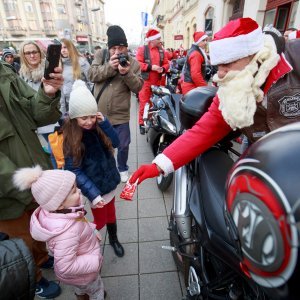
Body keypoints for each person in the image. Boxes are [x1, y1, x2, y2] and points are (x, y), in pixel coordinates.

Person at [129, 18, 300, 186]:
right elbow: (205, 129)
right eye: (219, 66)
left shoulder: (295, 55)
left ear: (251, 54)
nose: (221, 73)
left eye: (227, 64)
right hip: (265, 161)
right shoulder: (231, 88)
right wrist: (160, 164)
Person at [0, 58, 63, 298]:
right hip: (7, 187)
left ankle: (42, 257)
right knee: (20, 238)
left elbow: (36, 114)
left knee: (38, 226)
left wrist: (47, 93)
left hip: (32, 171)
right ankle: (31, 276)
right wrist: (16, 182)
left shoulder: (4, 70)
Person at [13, 166, 105, 300]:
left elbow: (80, 223)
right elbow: (65, 267)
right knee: (97, 290)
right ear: (59, 203)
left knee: (80, 288)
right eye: (74, 191)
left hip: (78, 273)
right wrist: (95, 260)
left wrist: (92, 229)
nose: (79, 191)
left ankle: (81, 295)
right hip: (84, 272)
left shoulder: (60, 213)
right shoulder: (67, 232)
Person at [62, 80, 125, 258]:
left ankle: (113, 239)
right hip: (94, 188)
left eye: (92, 116)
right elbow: (74, 170)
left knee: (111, 213)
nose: (89, 121)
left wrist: (104, 123)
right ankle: (88, 243)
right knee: (101, 219)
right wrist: (94, 194)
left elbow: (116, 142)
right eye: (84, 118)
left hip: (109, 180)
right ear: (74, 117)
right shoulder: (71, 137)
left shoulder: (99, 126)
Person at [88, 25, 143, 183]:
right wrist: (110, 68)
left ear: (126, 47)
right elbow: (91, 74)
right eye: (113, 48)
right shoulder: (101, 55)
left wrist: (126, 73)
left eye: (121, 47)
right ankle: (106, 168)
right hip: (100, 113)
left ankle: (122, 168)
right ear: (109, 48)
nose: (117, 51)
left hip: (121, 114)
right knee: (102, 145)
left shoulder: (133, 63)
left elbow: (138, 87)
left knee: (124, 145)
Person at [19, 41, 58, 145]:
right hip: (32, 127)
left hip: (50, 124)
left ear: (40, 53)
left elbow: (59, 97)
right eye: (27, 53)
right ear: (23, 56)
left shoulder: (50, 71)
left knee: (57, 156)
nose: (32, 56)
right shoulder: (21, 76)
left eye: (34, 52)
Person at [136, 28, 169, 134]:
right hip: (145, 82)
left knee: (155, 103)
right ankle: (142, 123)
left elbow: (167, 63)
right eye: (158, 38)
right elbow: (138, 64)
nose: (160, 40)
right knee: (144, 103)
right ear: (152, 40)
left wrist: (163, 69)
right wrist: (151, 67)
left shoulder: (161, 50)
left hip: (158, 82)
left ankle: (151, 120)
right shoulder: (142, 49)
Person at [60, 38, 92, 114]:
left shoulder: (81, 62)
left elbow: (91, 82)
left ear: (71, 48)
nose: (63, 50)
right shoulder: (59, 64)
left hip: (83, 104)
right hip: (67, 105)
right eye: (60, 48)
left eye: (65, 47)